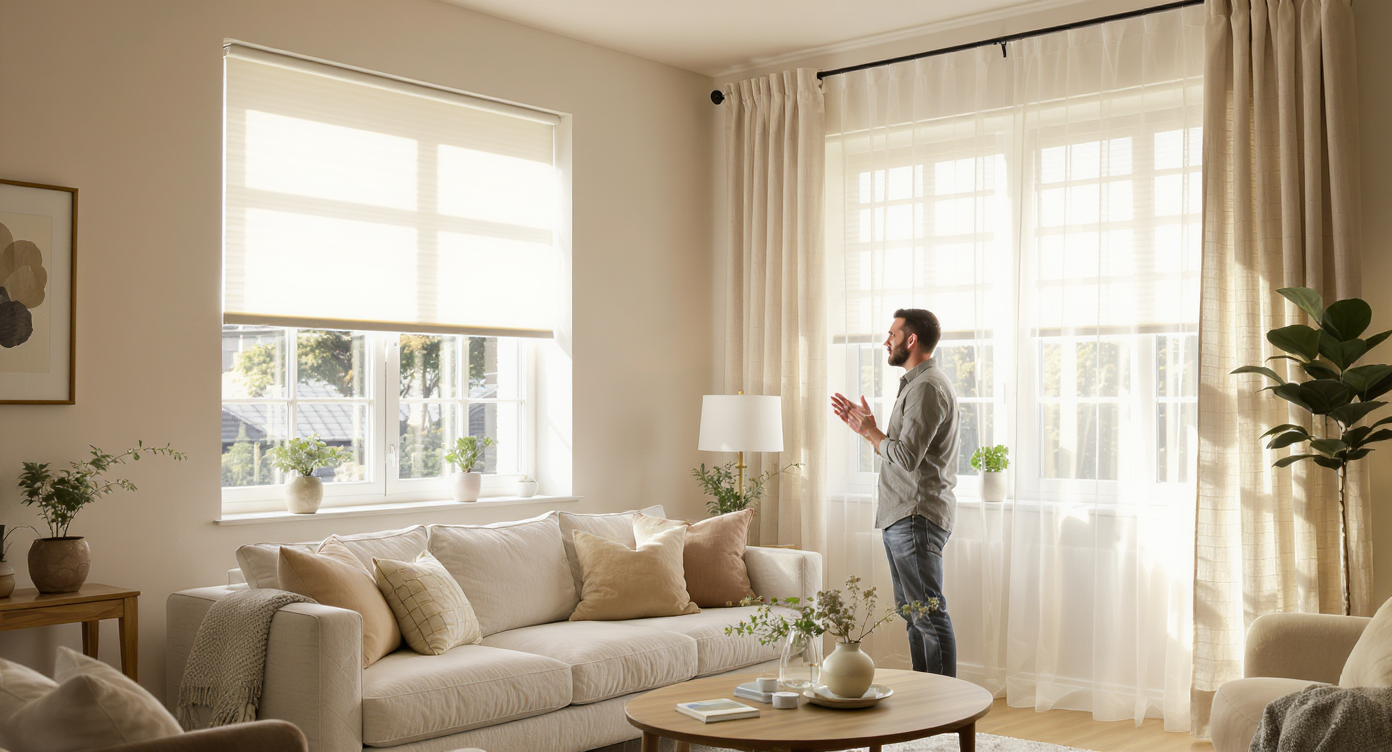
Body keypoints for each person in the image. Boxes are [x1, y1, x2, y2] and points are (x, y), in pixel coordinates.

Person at [830, 308, 959, 677]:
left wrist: (870, 431)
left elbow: (904, 456)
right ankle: (926, 702)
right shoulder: (916, 385)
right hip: (902, 515)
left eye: (892, 334)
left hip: (915, 516)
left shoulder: (927, 387)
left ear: (911, 340)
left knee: (928, 615)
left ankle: (943, 707)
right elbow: (899, 450)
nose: (886, 341)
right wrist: (868, 428)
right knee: (914, 615)